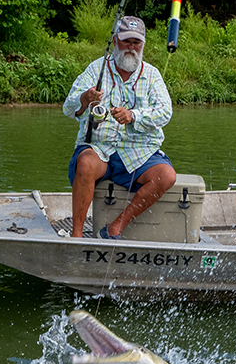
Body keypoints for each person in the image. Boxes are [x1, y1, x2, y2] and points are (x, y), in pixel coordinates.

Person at [62, 16, 177, 239]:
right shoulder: (96, 69)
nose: (131, 48)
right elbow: (68, 108)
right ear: (115, 41)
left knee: (167, 176)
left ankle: (115, 227)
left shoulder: (152, 75)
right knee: (85, 163)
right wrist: (85, 98)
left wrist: (133, 116)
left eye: (136, 43)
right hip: (100, 148)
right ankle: (76, 237)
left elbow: (165, 112)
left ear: (143, 44)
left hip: (139, 152)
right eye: (126, 41)